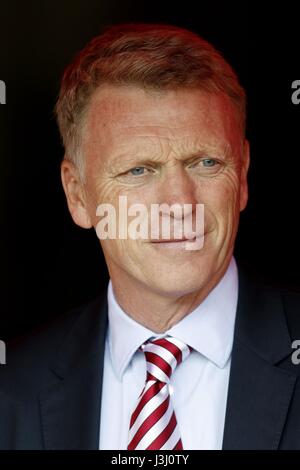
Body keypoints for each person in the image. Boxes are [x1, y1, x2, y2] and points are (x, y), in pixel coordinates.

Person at [1, 23, 300, 450]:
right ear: (77, 194)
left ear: (244, 175)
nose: (179, 202)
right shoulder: (12, 394)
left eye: (206, 163)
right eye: (138, 170)